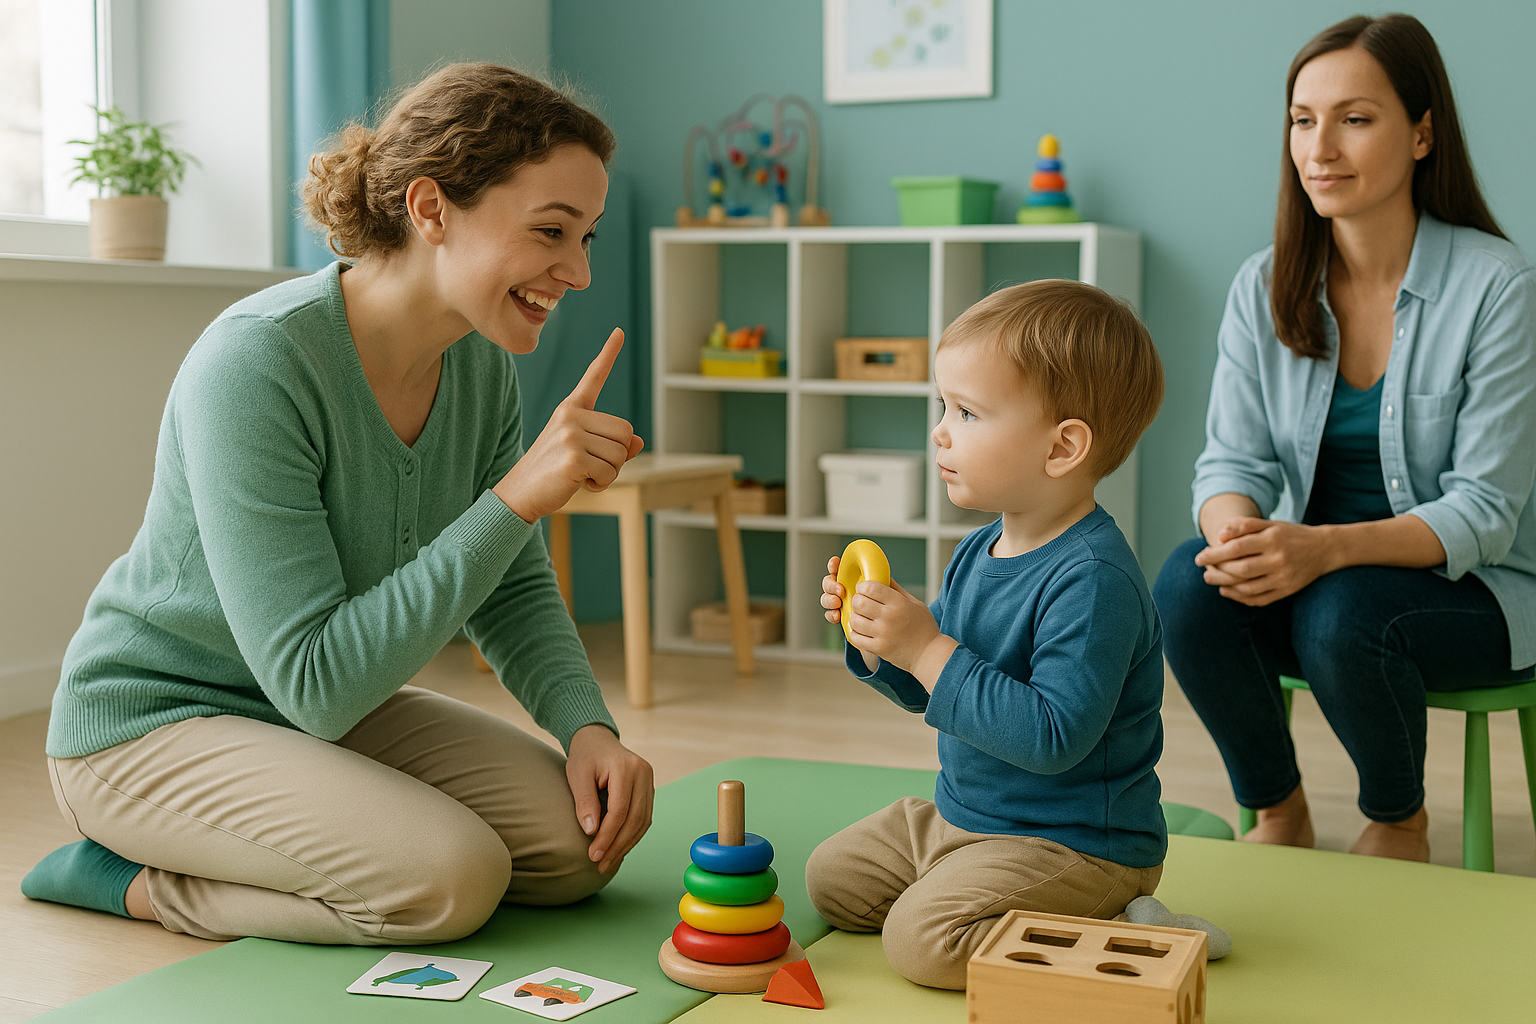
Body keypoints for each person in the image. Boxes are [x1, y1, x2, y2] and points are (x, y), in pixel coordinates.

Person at [21, 63, 656, 945]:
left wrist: (586, 724)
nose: (578, 272)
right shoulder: (258, 364)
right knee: (449, 880)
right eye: (552, 230)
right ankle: (131, 880)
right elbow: (316, 682)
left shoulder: (478, 369)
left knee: (576, 848)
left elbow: (508, 588)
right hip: (155, 722)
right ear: (431, 210)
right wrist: (516, 498)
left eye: (586, 237)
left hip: (316, 713)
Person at [1154, 14, 1536, 863]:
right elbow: (1230, 460)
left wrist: (1320, 549)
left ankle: (1399, 818)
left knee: (1340, 611)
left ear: (1423, 132)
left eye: (1355, 118)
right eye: (1302, 119)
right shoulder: (1264, 284)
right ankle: (1277, 806)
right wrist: (1238, 536)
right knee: (1187, 583)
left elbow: (1485, 511)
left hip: (1471, 591)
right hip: (1322, 573)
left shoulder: (1499, 286)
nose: (1320, 146)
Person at [807, 279, 1167, 990]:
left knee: (920, 943)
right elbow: (936, 691)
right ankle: (973, 888)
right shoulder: (980, 548)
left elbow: (1050, 738)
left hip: (1074, 845)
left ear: (1062, 447)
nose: (940, 430)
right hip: (965, 818)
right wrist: (881, 643)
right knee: (832, 880)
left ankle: (1123, 925)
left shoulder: (1094, 582)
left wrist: (927, 647)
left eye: (968, 412)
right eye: (944, 406)